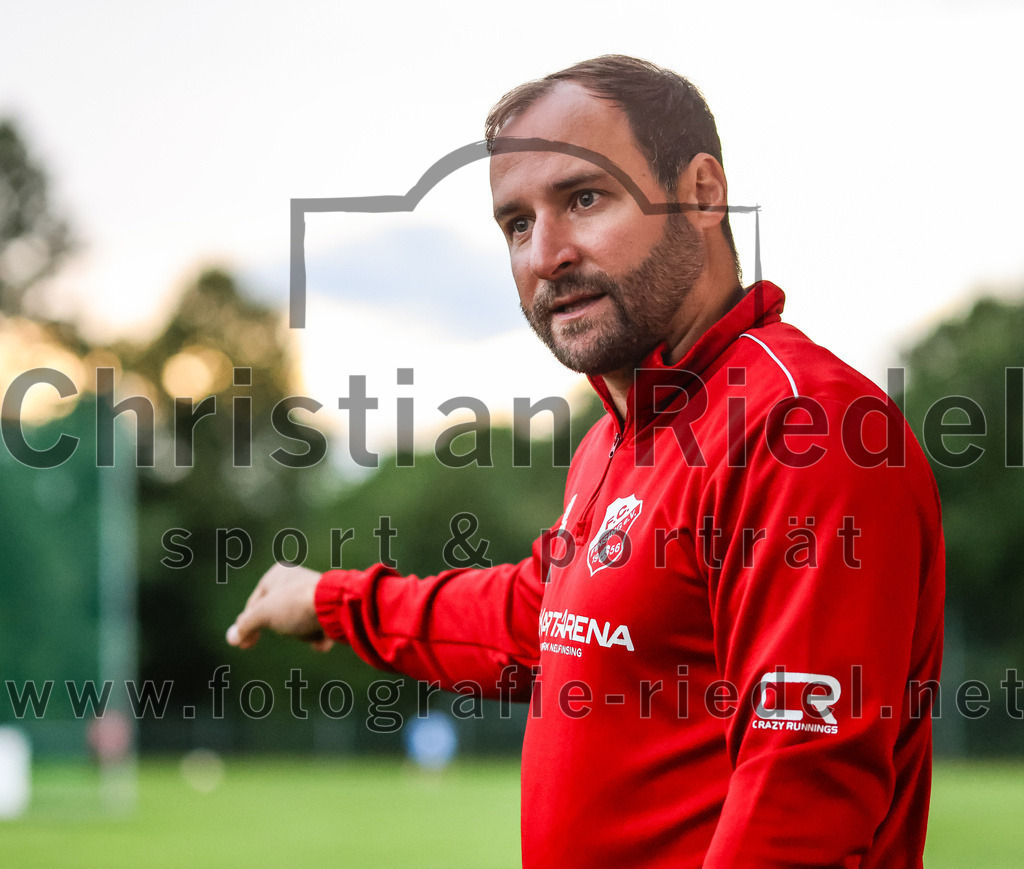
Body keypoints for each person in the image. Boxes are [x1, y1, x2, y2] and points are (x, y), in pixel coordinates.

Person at [227, 55, 944, 867]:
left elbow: (800, 795)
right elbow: (539, 624)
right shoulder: (618, 438)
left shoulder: (805, 427)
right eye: (517, 224)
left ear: (702, 192)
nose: (546, 254)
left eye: (584, 198)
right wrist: (333, 599)